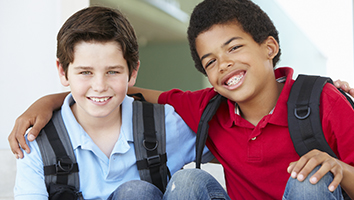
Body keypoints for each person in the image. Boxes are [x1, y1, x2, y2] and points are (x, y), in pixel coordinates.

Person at [8, 0, 354, 200]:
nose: (225, 64)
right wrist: (52, 100)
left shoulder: (324, 100)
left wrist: (339, 168)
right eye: (211, 62)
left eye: (234, 48)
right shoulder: (208, 110)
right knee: (176, 184)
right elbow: (113, 93)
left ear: (270, 47)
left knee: (310, 181)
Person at [13, 6, 221, 200]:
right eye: (85, 72)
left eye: (112, 72)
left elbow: (235, 144)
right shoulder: (37, 142)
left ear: (132, 72)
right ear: (63, 71)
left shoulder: (165, 125)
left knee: (186, 183)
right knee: (134, 193)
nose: (100, 86)